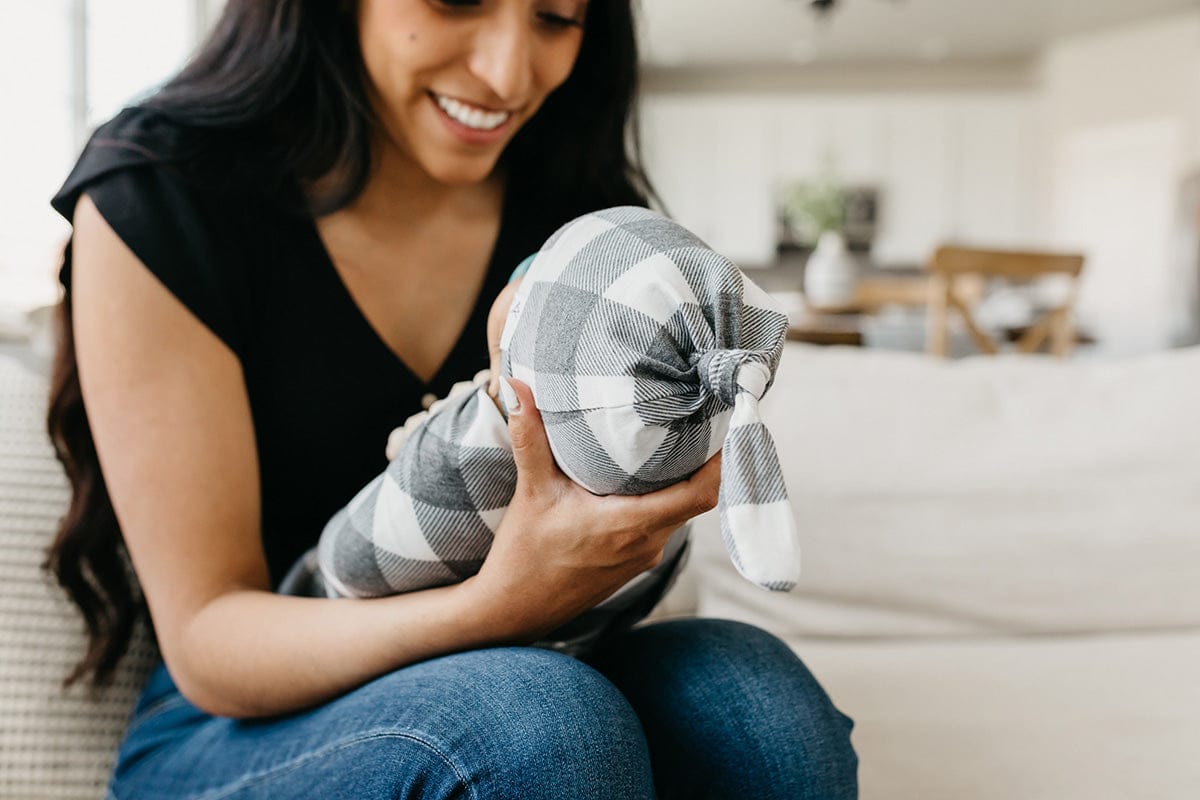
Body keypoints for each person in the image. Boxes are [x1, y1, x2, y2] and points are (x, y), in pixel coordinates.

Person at [45, 1, 859, 797]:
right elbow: (208, 643)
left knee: (761, 708)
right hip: (237, 719)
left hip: (543, 658)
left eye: (556, 18)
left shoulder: (576, 210)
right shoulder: (160, 192)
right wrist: (499, 605)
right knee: (538, 725)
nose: (507, 73)